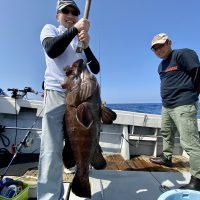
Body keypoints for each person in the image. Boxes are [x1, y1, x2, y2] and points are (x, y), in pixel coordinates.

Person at [37, 1, 106, 199]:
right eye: (65, 11)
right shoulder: (50, 29)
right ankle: (50, 196)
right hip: (56, 96)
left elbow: (96, 68)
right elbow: (52, 49)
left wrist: (87, 46)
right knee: (51, 148)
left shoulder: (80, 40)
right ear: (57, 14)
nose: (70, 14)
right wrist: (75, 30)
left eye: (74, 12)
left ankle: (82, 173)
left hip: (83, 100)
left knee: (86, 140)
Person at [149, 33, 200, 191]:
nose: (158, 50)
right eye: (155, 48)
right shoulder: (161, 66)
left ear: (169, 42)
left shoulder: (183, 54)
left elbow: (197, 72)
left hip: (183, 104)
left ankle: (198, 180)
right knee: (166, 133)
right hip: (167, 106)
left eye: (161, 45)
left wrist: (193, 95)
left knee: (190, 143)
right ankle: (166, 157)